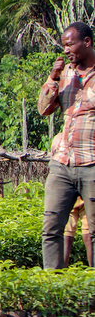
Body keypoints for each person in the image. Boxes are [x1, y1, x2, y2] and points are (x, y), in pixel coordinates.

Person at [37, 22, 95, 269]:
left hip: (92, 163)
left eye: (70, 44)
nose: (66, 50)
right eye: (64, 45)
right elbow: (43, 109)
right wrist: (53, 78)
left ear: (87, 42)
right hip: (62, 163)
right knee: (51, 229)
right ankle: (54, 293)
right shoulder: (65, 74)